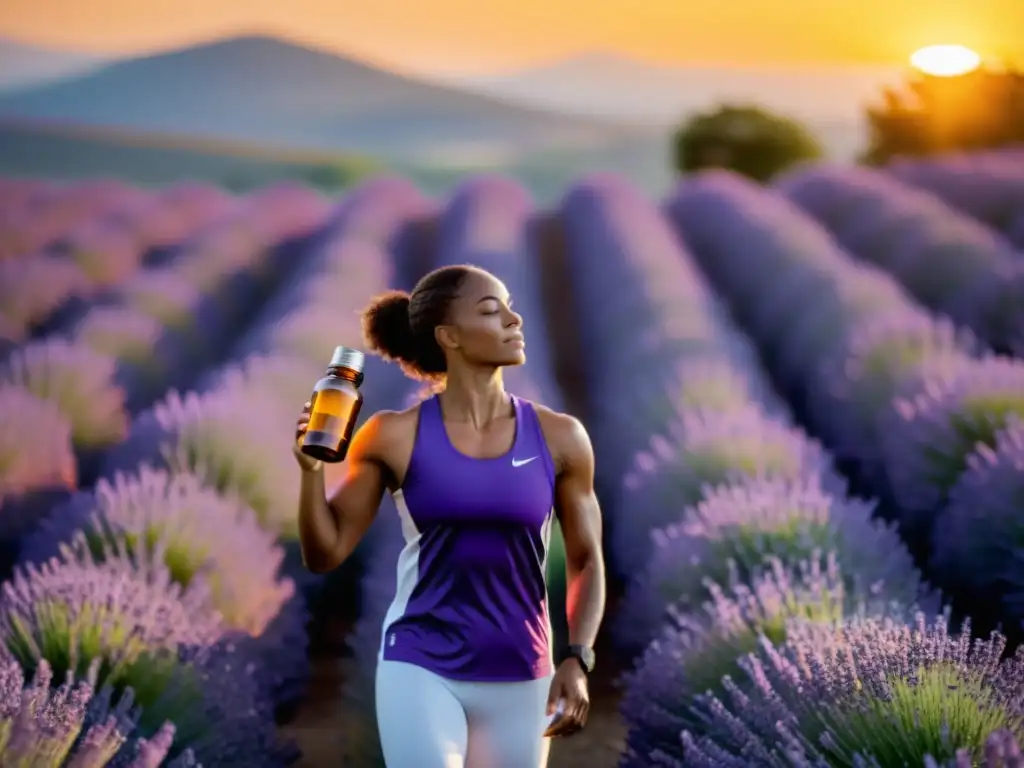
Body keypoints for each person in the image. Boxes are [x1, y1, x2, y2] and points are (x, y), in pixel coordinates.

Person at [293, 264, 606, 768]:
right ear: (449, 337)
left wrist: (579, 657)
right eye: (491, 310)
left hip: (523, 671)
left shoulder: (561, 437)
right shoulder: (392, 435)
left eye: (509, 306)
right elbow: (325, 553)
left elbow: (586, 561)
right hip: (420, 664)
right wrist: (310, 472)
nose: (514, 318)